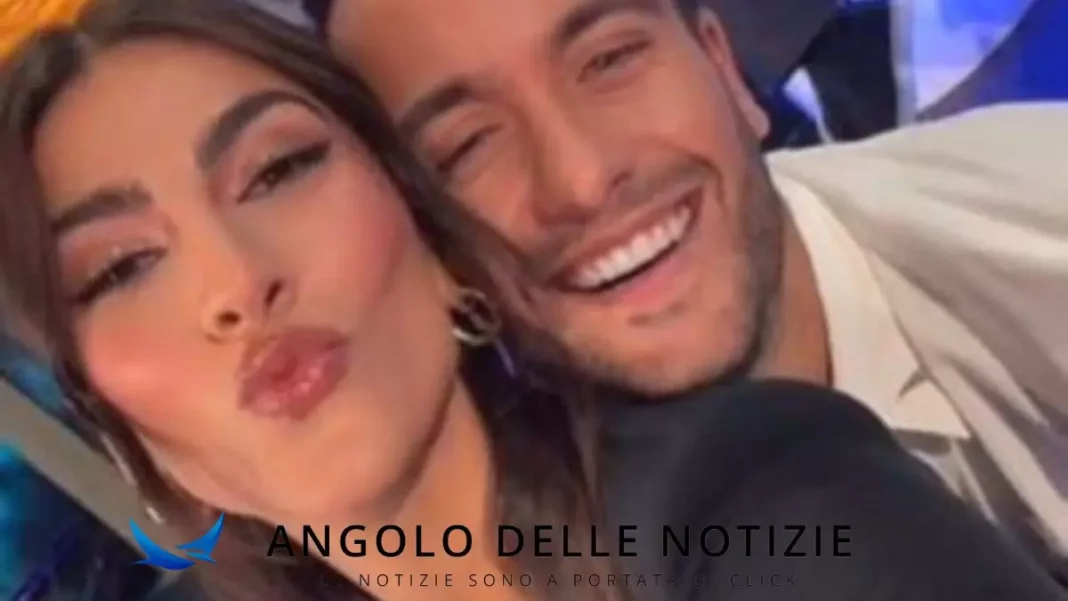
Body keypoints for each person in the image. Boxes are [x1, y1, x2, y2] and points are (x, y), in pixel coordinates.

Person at [1, 2, 1066, 601]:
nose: (236, 281)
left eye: (278, 170)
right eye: (120, 268)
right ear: (111, 421)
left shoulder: (748, 497)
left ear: (434, 241)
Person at [311, 0, 1068, 576]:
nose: (580, 180)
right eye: (470, 144)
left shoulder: (1035, 224)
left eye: (609, 61)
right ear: (439, 253)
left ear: (724, 68)